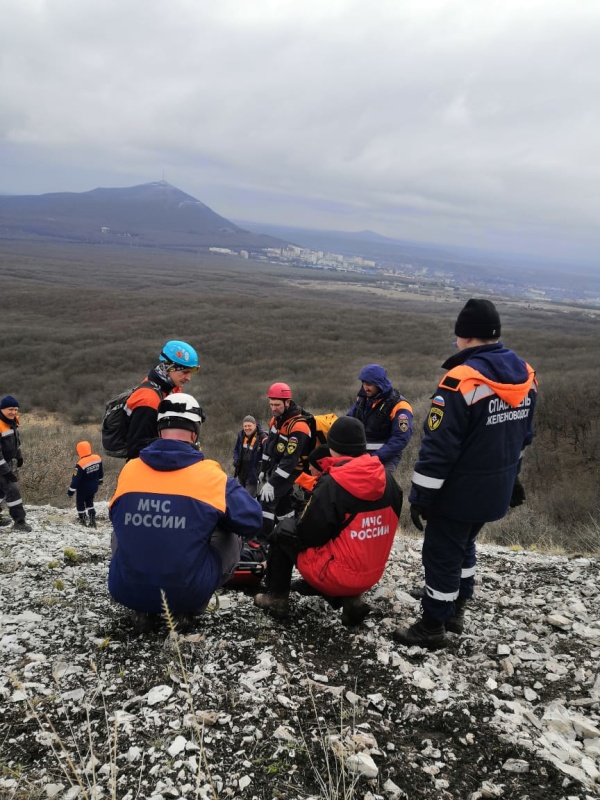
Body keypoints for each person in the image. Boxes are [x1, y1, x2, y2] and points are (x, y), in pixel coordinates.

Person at [393, 299, 538, 649]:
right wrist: (513, 477)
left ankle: (432, 625)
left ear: (464, 336)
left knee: (441, 553)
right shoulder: (526, 376)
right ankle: (455, 607)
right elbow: (524, 437)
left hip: (459, 491)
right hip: (497, 487)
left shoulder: (460, 382)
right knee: (464, 544)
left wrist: (421, 496)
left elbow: (439, 448)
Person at [108, 393, 263, 631]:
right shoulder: (211, 476)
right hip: (187, 594)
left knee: (121, 528)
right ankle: (184, 611)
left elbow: (115, 517)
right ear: (195, 432)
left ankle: (142, 607)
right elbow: (252, 520)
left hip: (124, 590)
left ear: (159, 431)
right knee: (231, 532)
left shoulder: (130, 470)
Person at [254, 417, 403, 626]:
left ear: (332, 447)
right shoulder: (387, 479)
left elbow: (307, 534)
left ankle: (277, 599)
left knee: (282, 532)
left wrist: (301, 513)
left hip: (337, 575)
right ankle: (352, 600)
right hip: (372, 574)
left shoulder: (333, 484)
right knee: (346, 535)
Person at [125, 339, 199, 460]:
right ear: (168, 367)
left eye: (191, 372)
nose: (189, 378)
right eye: (185, 372)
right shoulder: (148, 401)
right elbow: (136, 451)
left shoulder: (169, 387)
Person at [258, 382, 312, 537]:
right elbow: (269, 448)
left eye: (277, 405)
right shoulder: (277, 420)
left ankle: (262, 542)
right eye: (271, 404)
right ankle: (289, 533)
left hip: (290, 471)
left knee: (266, 502)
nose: (273, 408)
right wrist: (263, 470)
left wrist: (272, 483)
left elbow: (290, 461)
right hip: (278, 468)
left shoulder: (299, 427)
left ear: (287, 402)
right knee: (283, 505)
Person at [346, 364, 413, 471]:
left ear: (379, 384)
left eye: (369, 384)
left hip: (385, 459)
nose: (365, 388)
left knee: (378, 485)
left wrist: (375, 458)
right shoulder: (363, 399)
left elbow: (400, 439)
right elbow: (348, 422)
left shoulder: (400, 406)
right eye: (363, 383)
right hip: (359, 455)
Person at [0, 396, 32, 532]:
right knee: (12, 489)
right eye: (10, 409)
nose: (13, 412)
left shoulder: (12, 422)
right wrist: (6, 471)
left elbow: (15, 442)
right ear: (2, 409)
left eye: (16, 409)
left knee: (1, 490)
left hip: (6, 461)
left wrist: (18, 456)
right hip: (1, 463)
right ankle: (19, 521)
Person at [67, 441, 104, 528]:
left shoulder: (80, 464)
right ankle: (92, 521)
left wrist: (70, 492)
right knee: (89, 502)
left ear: (79, 451)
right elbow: (100, 472)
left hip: (83, 489)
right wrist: (100, 481)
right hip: (94, 487)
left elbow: (75, 480)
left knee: (80, 503)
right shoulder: (97, 458)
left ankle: (82, 521)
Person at [232, 415, 267, 498]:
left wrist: (264, 469)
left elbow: (268, 452)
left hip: (253, 474)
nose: (247, 428)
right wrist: (236, 459)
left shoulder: (261, 437)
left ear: (254, 425)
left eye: (249, 426)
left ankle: (251, 510)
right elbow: (236, 450)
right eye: (245, 426)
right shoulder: (241, 435)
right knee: (239, 496)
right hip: (241, 472)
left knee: (247, 498)